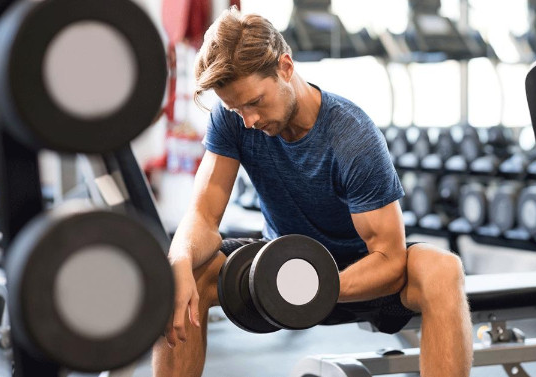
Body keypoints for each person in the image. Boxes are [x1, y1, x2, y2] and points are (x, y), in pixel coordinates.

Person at [152, 7, 472, 377]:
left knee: (442, 270)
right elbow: (204, 217)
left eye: (255, 102)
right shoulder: (235, 119)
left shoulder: (352, 136)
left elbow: (388, 257)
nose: (249, 121)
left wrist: (315, 285)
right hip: (277, 268)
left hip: (361, 276)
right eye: (236, 108)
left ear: (285, 67)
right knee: (182, 273)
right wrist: (177, 263)